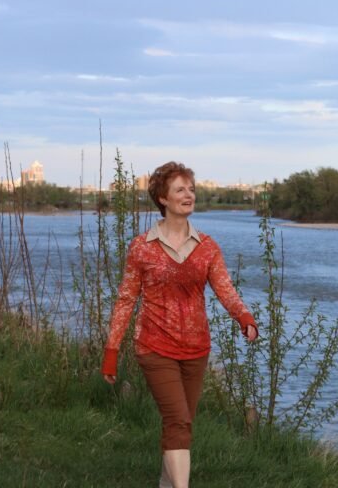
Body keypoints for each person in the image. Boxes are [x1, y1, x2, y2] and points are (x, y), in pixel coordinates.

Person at [101, 161, 259, 488]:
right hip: (155, 347)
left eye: (191, 189)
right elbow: (126, 299)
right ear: (162, 198)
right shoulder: (142, 248)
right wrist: (111, 350)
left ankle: (166, 483)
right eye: (180, 189)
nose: (188, 195)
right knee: (178, 421)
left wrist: (244, 317)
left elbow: (225, 289)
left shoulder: (207, 248)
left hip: (197, 349)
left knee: (182, 425)